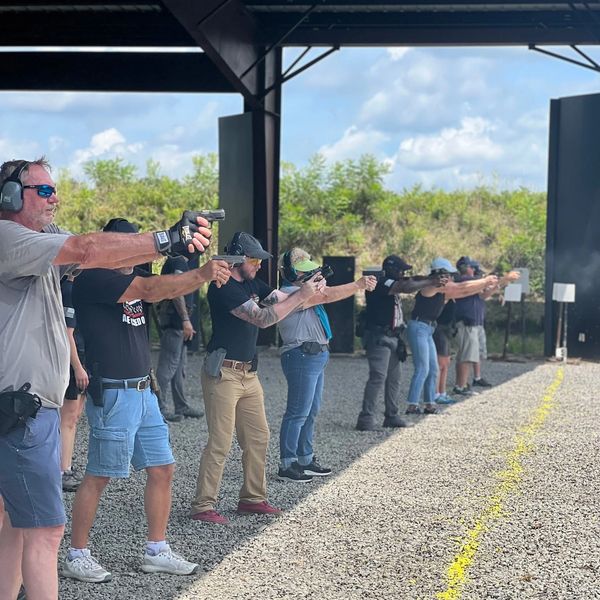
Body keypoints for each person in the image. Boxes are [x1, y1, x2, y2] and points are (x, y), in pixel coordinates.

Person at [0, 156, 213, 600]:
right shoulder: (8, 236)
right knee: (45, 530)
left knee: (14, 525)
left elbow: (100, 251)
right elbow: (88, 250)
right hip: (21, 407)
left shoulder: (39, 238)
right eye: (43, 190)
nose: (54, 197)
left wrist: (170, 246)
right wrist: (167, 241)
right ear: (11, 196)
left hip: (26, 407)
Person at [63, 218, 230, 583]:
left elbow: (156, 282)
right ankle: (77, 554)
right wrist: (202, 274)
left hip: (142, 390)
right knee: (99, 475)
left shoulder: (127, 272)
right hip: (114, 391)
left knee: (163, 469)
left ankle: (156, 549)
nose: (135, 251)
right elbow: (152, 289)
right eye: (128, 244)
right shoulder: (94, 277)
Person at [190, 232, 324, 524]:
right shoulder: (222, 287)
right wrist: (302, 295)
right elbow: (263, 317)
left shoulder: (252, 283)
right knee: (220, 442)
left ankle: (252, 498)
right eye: (254, 260)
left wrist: (308, 289)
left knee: (258, 437)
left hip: (248, 372)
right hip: (223, 372)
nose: (259, 265)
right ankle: (203, 505)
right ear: (238, 260)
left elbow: (283, 301)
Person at [276, 248, 376, 482]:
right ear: (290, 274)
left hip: (315, 354)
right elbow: (327, 295)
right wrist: (357, 284)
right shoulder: (288, 294)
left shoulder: (300, 291)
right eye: (305, 273)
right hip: (301, 354)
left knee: (310, 411)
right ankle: (287, 463)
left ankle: (305, 458)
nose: (309, 277)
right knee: (297, 413)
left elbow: (324, 293)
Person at [355, 255, 443, 431]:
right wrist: (430, 281)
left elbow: (408, 282)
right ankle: (365, 418)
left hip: (394, 336)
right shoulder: (381, 282)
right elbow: (405, 286)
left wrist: (427, 280)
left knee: (394, 379)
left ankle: (392, 415)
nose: (403, 273)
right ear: (392, 269)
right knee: (378, 378)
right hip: (379, 336)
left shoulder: (391, 283)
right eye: (401, 270)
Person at [405, 258, 499, 415]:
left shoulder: (439, 287)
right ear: (439, 274)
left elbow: (465, 291)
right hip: (419, 327)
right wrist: (484, 281)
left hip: (428, 328)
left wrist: (485, 284)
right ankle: (412, 405)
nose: (450, 277)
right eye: (447, 274)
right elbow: (461, 288)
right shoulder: (433, 285)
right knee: (422, 368)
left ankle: (429, 403)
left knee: (433, 369)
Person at [452, 257, 520, 396]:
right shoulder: (464, 281)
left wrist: (500, 284)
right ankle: (461, 386)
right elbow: (483, 287)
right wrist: (505, 278)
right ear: (469, 268)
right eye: (474, 268)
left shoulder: (473, 283)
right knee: (466, 357)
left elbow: (484, 295)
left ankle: (462, 384)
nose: (477, 271)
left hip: (474, 324)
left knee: (468, 356)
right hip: (467, 324)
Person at [156, 256, 203, 422]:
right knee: (168, 367)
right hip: (175, 322)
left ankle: (181, 405)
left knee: (178, 367)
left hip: (176, 322)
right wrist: (185, 319)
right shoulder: (179, 262)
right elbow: (176, 290)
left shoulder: (176, 261)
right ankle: (158, 408)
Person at [60, 274, 89, 492]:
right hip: (73, 358)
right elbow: (67, 333)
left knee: (75, 416)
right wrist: (78, 367)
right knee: (68, 417)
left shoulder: (78, 288)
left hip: (82, 355)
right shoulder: (69, 289)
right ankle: (62, 470)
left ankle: (65, 466)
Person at [432, 299, 457, 405]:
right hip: (440, 327)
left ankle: (442, 392)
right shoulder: (442, 292)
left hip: (447, 328)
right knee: (440, 364)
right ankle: (436, 393)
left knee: (445, 363)